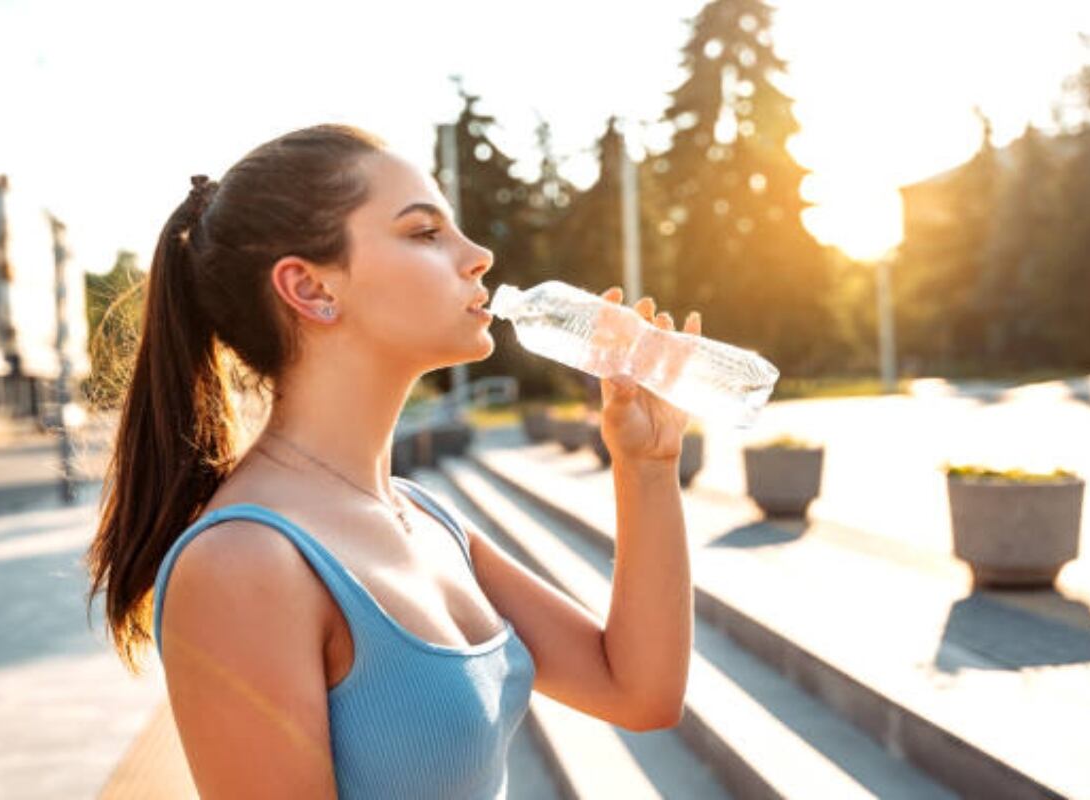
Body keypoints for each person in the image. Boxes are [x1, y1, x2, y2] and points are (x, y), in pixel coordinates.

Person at [86, 124, 698, 798]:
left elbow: (637, 691)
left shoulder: (425, 518)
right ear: (312, 289)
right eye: (424, 233)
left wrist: (646, 466)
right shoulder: (243, 564)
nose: (480, 256)